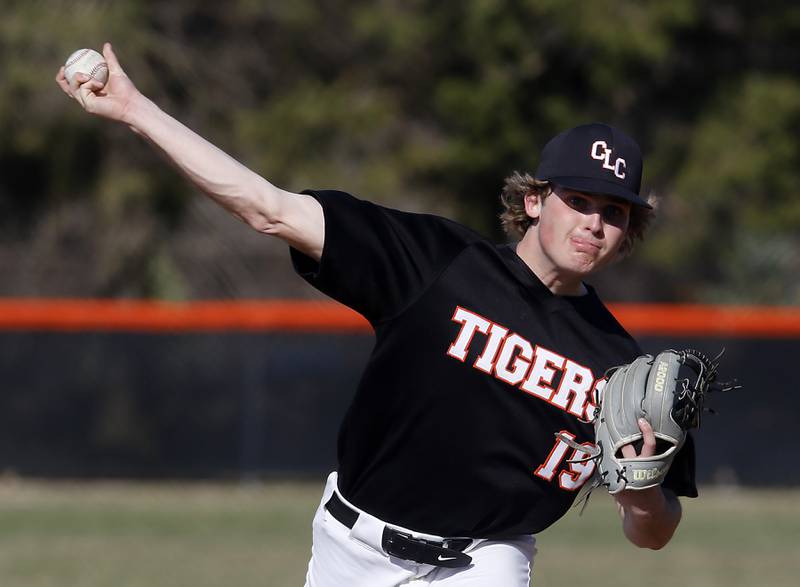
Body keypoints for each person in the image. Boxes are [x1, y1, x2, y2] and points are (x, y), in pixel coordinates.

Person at [57, 43, 696, 586]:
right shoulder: (437, 262)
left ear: (629, 231)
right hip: (352, 549)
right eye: (577, 199)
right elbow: (268, 208)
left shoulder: (623, 369)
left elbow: (654, 534)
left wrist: (640, 497)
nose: (592, 222)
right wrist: (136, 111)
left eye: (614, 212)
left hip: (484, 564)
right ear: (534, 201)